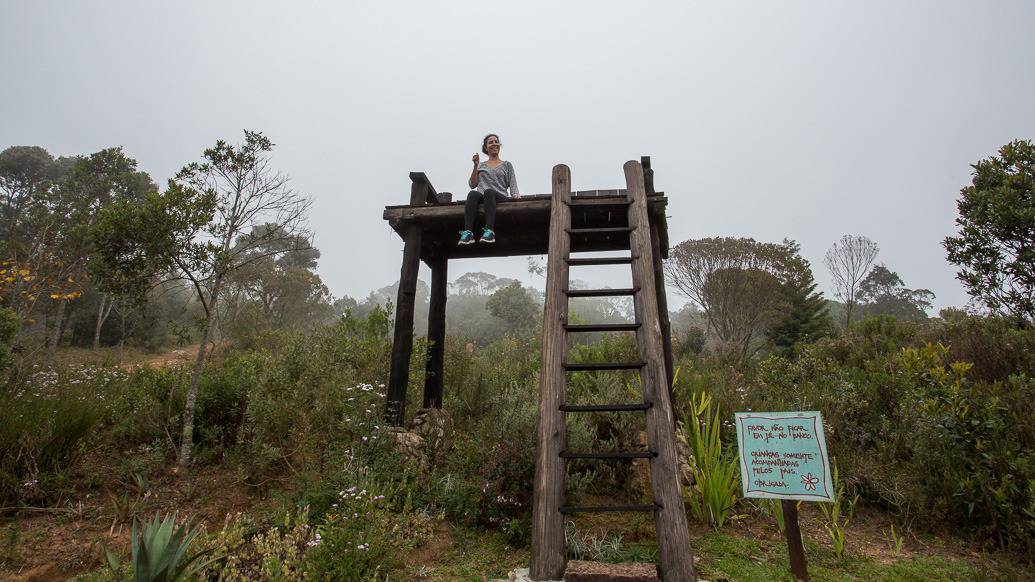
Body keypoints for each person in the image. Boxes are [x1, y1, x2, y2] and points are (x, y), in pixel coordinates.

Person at [459, 133, 520, 244]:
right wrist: (475, 165)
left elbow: (513, 185)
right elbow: (472, 184)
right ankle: (468, 233)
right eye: (490, 142)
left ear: (499, 145)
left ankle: (490, 230)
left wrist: (517, 198)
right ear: (486, 147)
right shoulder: (481, 165)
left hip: (499, 197)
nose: (494, 144)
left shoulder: (506, 165)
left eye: (496, 141)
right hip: (483, 197)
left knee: (489, 192)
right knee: (472, 193)